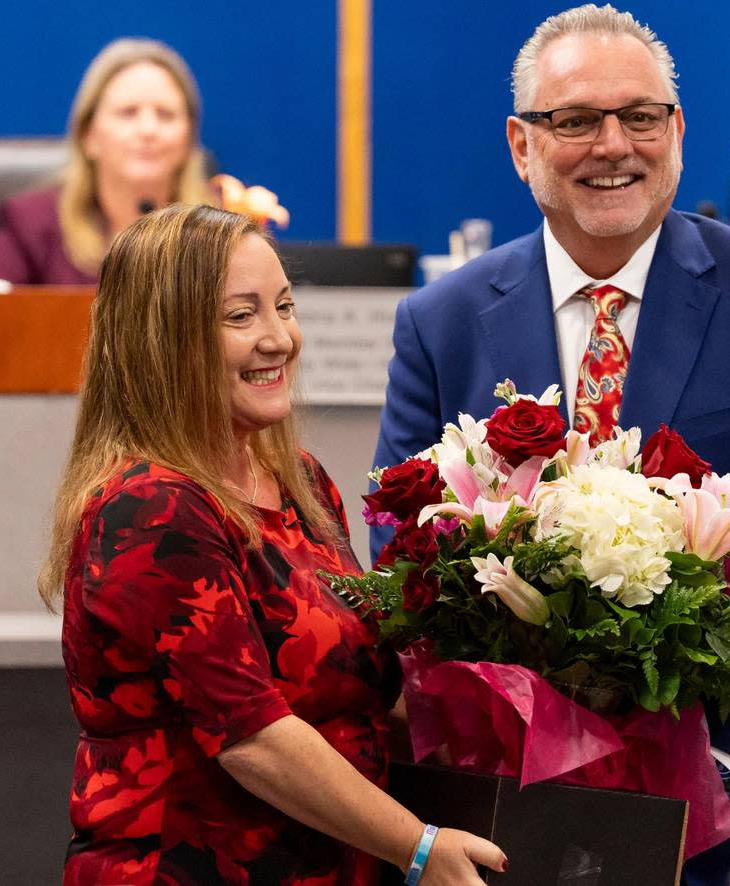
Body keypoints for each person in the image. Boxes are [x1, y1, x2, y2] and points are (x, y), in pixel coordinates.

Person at [371, 5, 730, 885]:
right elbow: (404, 559)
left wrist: (720, 770)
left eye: (640, 117)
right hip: (515, 818)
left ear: (676, 131)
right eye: (575, 121)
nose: (614, 144)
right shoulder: (439, 324)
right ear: (521, 145)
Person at [38, 203, 506, 884]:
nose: (279, 338)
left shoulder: (300, 481)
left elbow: (363, 692)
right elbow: (253, 737)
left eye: (284, 307)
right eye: (240, 316)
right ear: (163, 338)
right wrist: (418, 848)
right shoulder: (151, 508)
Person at [0, 38, 213, 286]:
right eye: (128, 113)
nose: (148, 129)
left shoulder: (218, 231)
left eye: (166, 115)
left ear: (189, 138)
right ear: (89, 136)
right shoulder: (32, 224)